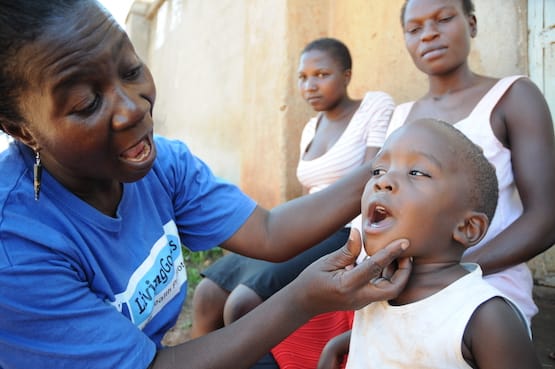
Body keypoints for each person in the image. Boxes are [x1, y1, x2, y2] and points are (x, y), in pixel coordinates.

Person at [0, 2, 414, 369]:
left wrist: (386, 166)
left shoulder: (160, 164)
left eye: (130, 71)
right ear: (23, 130)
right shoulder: (16, 250)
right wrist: (303, 297)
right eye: (87, 104)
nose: (133, 108)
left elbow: (269, 231)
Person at [191, 37, 394, 346]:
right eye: (303, 77)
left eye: (321, 75)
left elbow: (372, 178)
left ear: (347, 75)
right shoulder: (310, 128)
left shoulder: (374, 106)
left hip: (345, 230)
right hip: (307, 227)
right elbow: (306, 196)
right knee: (207, 293)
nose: (310, 85)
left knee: (242, 303)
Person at [318, 118, 541, 369]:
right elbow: (395, 332)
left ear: (467, 228)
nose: (383, 181)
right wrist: (337, 345)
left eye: (416, 173)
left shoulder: (486, 318)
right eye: (378, 171)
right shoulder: (372, 293)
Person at [386, 0, 555, 324]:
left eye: (444, 19)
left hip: (486, 285)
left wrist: (449, 272)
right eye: (415, 29)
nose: (429, 35)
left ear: (472, 23)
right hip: (404, 286)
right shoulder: (400, 119)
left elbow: (545, 218)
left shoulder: (512, 97)